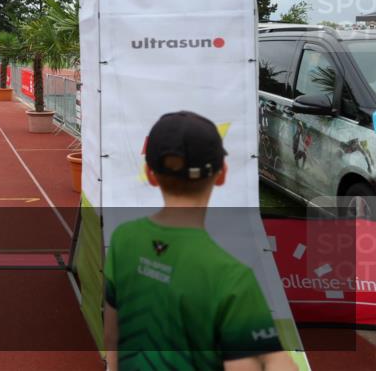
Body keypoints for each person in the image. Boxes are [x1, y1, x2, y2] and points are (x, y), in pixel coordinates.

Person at [104, 111, 296, 371]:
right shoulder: (232, 277)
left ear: (150, 173)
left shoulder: (122, 239)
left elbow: (111, 338)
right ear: (221, 174)